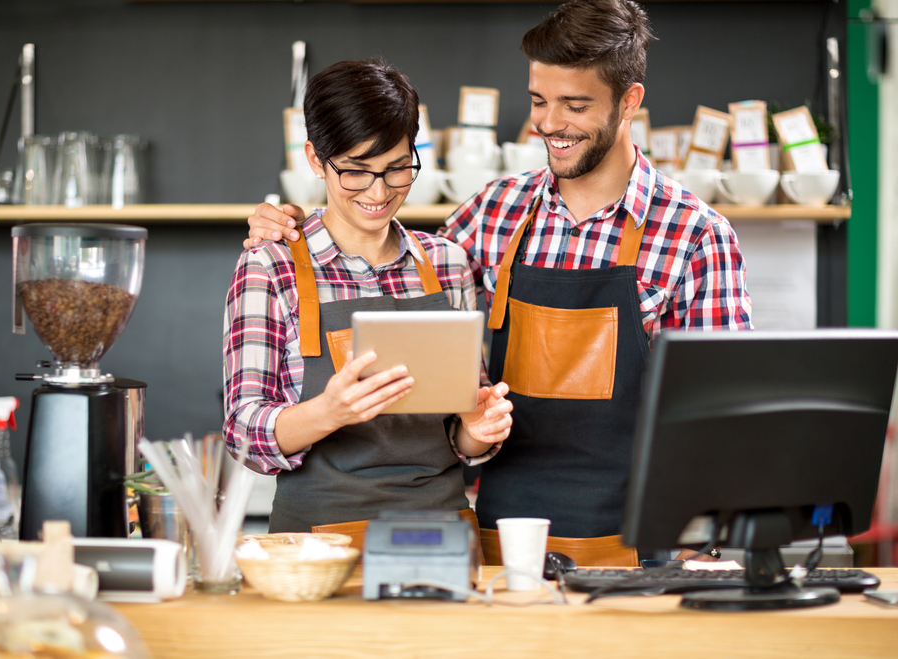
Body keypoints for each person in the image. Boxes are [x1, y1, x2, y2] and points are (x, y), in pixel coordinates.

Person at [244, 0, 751, 563]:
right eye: (539, 101)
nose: (550, 124)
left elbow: (721, 428)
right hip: (497, 542)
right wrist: (291, 227)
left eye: (575, 105)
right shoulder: (495, 213)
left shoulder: (696, 236)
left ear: (629, 101)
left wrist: (705, 548)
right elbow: (385, 263)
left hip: (635, 547)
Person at [224, 60, 513, 538]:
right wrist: (328, 412)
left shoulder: (447, 264)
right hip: (317, 545)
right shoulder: (270, 265)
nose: (379, 192)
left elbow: (461, 427)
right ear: (315, 160)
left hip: (443, 535)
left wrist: (477, 430)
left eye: (398, 169)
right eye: (356, 171)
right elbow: (242, 432)